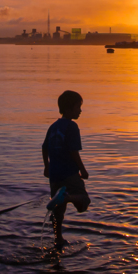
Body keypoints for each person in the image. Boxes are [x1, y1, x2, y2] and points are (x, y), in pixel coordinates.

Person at [42, 90, 91, 248]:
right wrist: (82, 170)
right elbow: (73, 151)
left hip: (55, 175)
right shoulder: (72, 126)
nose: (80, 111)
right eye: (78, 107)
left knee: (57, 213)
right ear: (70, 109)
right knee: (83, 201)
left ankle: (58, 239)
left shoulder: (53, 126)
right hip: (69, 173)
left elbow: (44, 147)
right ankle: (68, 198)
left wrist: (46, 167)